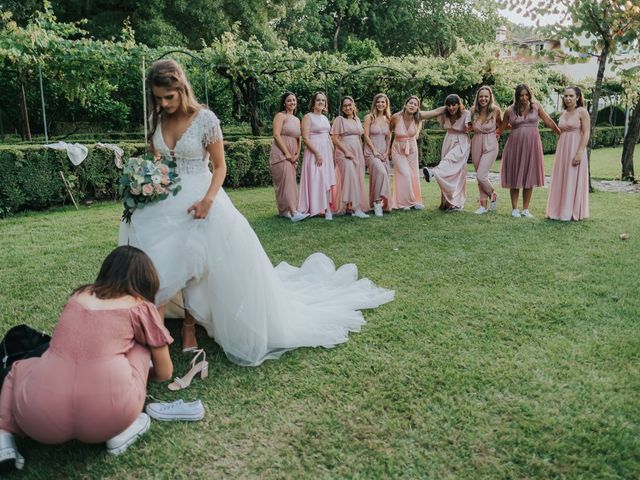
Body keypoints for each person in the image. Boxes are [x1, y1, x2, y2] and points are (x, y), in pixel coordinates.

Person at [120, 61, 393, 366]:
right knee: (158, 261)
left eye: (169, 96)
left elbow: (220, 166)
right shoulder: (157, 118)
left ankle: (188, 328)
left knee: (198, 262)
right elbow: (157, 158)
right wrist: (146, 178)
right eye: (158, 98)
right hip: (165, 201)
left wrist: (208, 200)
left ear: (182, 89)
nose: (164, 103)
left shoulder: (205, 120)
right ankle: (153, 330)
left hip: (203, 197)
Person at [0, 246, 173, 471]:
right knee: (140, 347)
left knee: (19, 367)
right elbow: (165, 372)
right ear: (146, 280)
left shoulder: (78, 296)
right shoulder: (141, 308)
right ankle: (122, 429)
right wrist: (139, 374)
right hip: (108, 415)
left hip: (39, 416)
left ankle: (3, 438)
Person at [499, 83, 560, 218]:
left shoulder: (536, 107)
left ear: (530, 95)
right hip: (515, 146)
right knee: (515, 176)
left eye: (526, 95)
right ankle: (515, 208)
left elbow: (548, 120)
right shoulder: (510, 110)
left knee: (529, 175)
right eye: (521, 95)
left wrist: (560, 133)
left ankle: (526, 209)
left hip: (532, 145)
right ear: (517, 96)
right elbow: (501, 128)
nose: (524, 98)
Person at [546, 86, 591, 221]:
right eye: (565, 96)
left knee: (572, 178)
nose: (568, 98)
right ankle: (557, 210)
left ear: (577, 97)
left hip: (576, 148)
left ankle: (570, 211)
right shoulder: (563, 113)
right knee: (561, 177)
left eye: (571, 96)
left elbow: (586, 132)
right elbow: (561, 131)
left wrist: (580, 152)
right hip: (562, 150)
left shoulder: (582, 112)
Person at [422, 94, 471, 211]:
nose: (451, 108)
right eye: (448, 105)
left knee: (451, 163)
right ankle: (447, 203)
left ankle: (433, 172)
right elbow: (429, 114)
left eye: (454, 105)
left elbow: (472, 127)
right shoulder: (445, 113)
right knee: (448, 171)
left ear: (459, 105)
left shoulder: (466, 114)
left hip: (461, 142)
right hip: (448, 140)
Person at [269, 92, 309, 222]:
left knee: (290, 182)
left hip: (292, 155)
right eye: (289, 100)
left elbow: (299, 138)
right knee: (286, 183)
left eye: (294, 100)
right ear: (284, 103)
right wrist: (286, 152)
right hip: (280, 153)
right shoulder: (280, 116)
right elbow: (276, 135)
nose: (292, 102)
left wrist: (297, 154)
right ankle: (293, 212)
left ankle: (284, 211)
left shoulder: (297, 119)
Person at [298, 91, 336, 219]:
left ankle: (327, 209)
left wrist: (332, 151)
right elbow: (305, 138)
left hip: (326, 151)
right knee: (317, 177)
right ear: (313, 103)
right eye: (318, 100)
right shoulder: (308, 117)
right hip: (315, 151)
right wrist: (317, 153)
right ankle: (315, 207)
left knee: (326, 178)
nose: (321, 102)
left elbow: (328, 136)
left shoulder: (325, 118)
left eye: (323, 100)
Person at [331, 96, 369, 218]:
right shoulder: (339, 120)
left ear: (354, 106)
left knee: (356, 178)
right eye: (345, 105)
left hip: (357, 152)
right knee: (350, 177)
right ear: (342, 108)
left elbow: (359, 138)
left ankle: (349, 207)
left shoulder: (357, 120)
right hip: (344, 153)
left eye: (349, 105)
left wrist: (361, 153)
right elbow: (334, 138)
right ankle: (356, 208)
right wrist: (346, 151)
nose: (347, 107)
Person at [469, 86, 502, 214]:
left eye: (486, 96)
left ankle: (493, 194)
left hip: (491, 144)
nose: (483, 99)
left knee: (481, 175)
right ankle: (483, 206)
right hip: (476, 142)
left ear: (490, 97)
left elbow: (502, 124)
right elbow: (468, 125)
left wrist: (498, 133)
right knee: (480, 177)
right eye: (481, 96)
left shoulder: (495, 110)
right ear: (478, 98)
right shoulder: (473, 111)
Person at [390, 96, 425, 210]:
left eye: (415, 104)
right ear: (405, 105)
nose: (412, 105)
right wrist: (386, 149)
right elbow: (389, 132)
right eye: (410, 103)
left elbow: (418, 131)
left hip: (412, 148)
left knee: (413, 174)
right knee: (404, 174)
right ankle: (406, 202)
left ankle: (415, 201)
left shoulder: (418, 118)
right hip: (398, 149)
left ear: (417, 108)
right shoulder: (395, 117)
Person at [363, 93, 392, 216]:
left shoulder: (389, 119)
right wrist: (374, 150)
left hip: (383, 153)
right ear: (375, 103)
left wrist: (387, 152)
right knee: (381, 173)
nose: (381, 104)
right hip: (371, 152)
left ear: (386, 104)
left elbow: (389, 138)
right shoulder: (369, 117)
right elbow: (365, 135)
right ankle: (377, 202)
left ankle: (378, 202)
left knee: (378, 178)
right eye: (378, 102)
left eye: (383, 102)